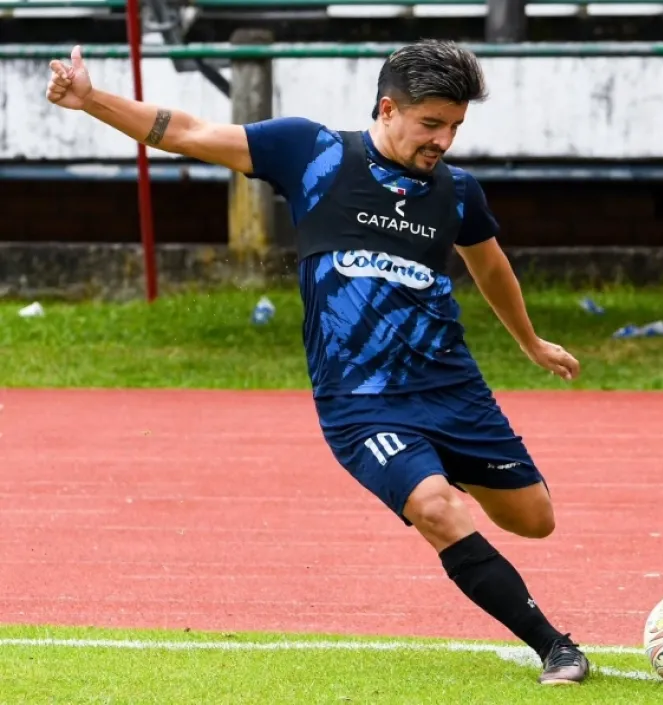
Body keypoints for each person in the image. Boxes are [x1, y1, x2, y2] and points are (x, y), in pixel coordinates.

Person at [45, 39, 590, 685]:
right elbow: (188, 131)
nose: (443, 140)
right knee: (438, 510)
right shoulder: (312, 152)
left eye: (454, 127)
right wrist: (90, 99)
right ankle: (555, 646)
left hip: (452, 388)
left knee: (535, 519)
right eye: (431, 124)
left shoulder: (457, 192)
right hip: (359, 402)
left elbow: (489, 263)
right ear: (387, 108)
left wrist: (528, 341)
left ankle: (437, 466)